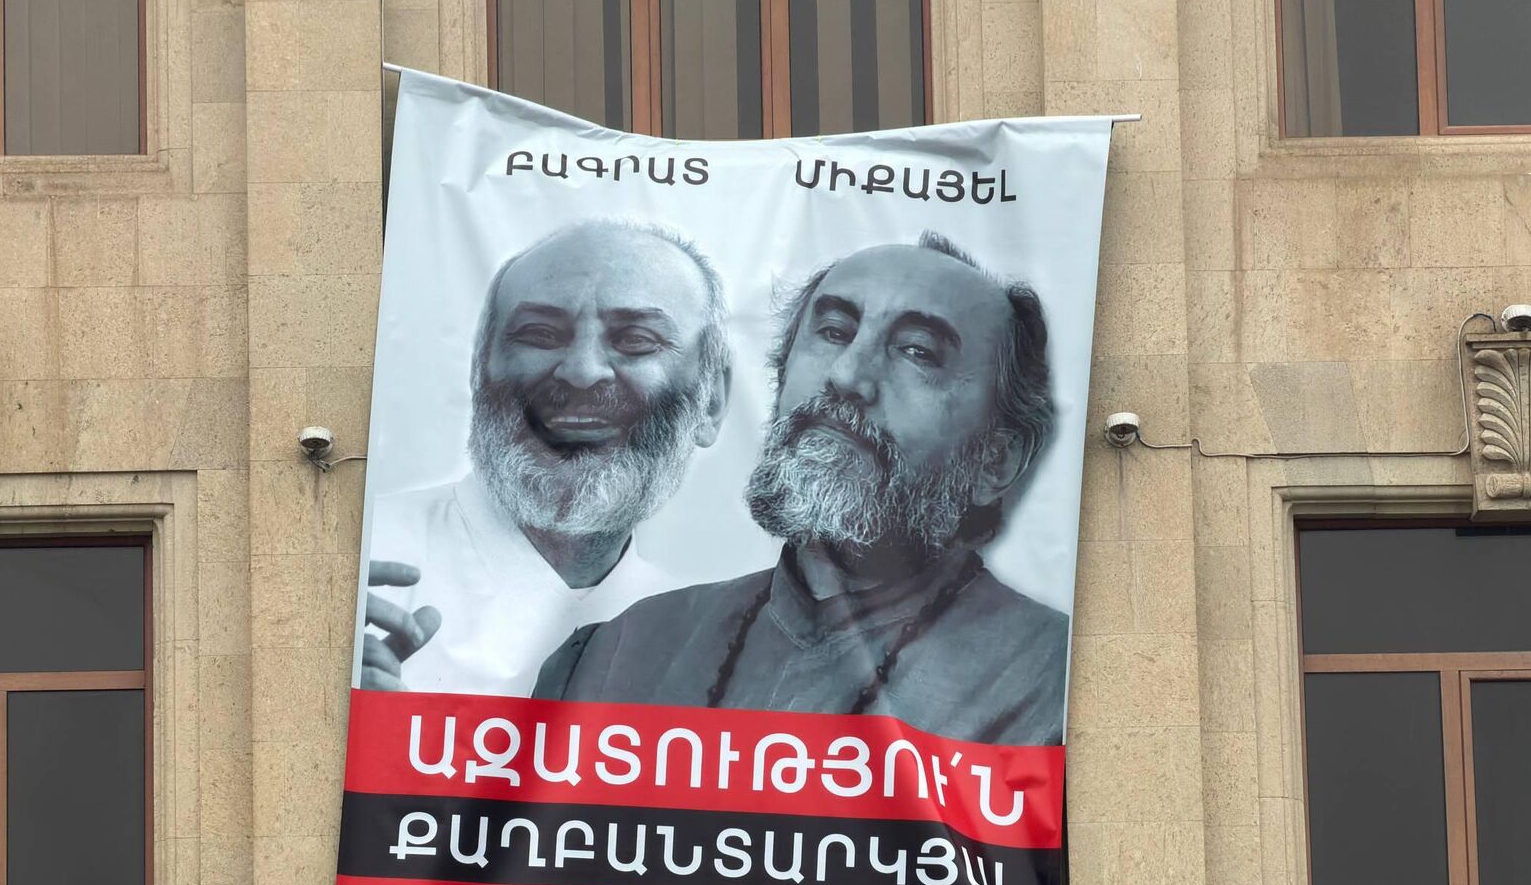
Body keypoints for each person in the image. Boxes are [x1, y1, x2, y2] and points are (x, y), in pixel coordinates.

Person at [536, 231, 1069, 746]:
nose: (847, 375)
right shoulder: (614, 657)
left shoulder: (1059, 686)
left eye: (917, 352)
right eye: (834, 331)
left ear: (995, 461)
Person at [360, 220, 731, 695]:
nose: (582, 372)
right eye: (540, 334)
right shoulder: (360, 564)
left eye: (637, 340)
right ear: (479, 372)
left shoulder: (712, 646)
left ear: (712, 401)